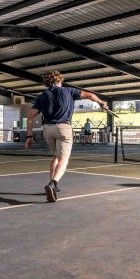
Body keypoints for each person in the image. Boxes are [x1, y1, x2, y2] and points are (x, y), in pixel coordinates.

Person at [26, 71, 108, 202]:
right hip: (63, 128)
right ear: (60, 80)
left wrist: (29, 137)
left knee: (55, 157)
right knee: (64, 159)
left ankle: (52, 184)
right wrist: (100, 102)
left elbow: (30, 116)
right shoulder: (69, 91)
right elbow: (90, 95)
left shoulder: (43, 95)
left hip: (47, 129)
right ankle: (53, 184)